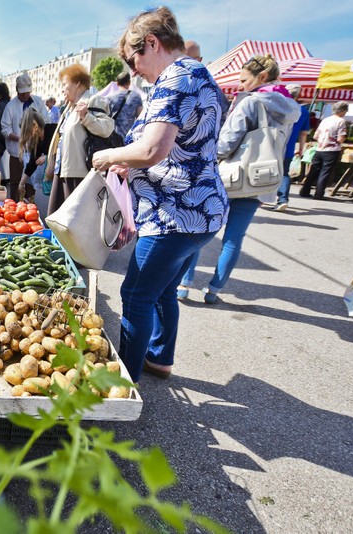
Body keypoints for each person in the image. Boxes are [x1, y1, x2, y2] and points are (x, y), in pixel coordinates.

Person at [91, 6, 228, 382]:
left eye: (133, 59)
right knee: (164, 290)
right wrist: (132, 164)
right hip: (202, 211)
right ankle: (159, 358)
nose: (133, 70)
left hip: (174, 214)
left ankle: (126, 380)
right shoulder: (200, 74)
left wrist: (109, 155)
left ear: (152, 43)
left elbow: (153, 150)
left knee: (136, 294)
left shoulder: (174, 79)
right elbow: (182, 145)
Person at [177, 54, 300, 304]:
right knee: (234, 239)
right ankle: (214, 290)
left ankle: (183, 284)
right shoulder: (290, 108)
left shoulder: (250, 102)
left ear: (262, 77)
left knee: (199, 228)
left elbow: (225, 144)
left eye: (244, 80)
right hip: (261, 181)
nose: (240, 85)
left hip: (230, 178)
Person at [44, 63, 113, 215]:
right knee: (58, 217)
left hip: (78, 172)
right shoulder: (69, 107)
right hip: (63, 170)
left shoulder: (93, 100)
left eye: (64, 84)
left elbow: (107, 128)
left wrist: (86, 117)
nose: (62, 89)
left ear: (77, 83)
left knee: (74, 220)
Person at [1, 73, 48, 200]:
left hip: (34, 150)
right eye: (23, 93)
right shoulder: (10, 106)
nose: (26, 95)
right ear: (16, 90)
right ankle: (14, 207)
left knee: (31, 182)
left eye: (28, 92)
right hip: (17, 153)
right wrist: (19, 138)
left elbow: (46, 122)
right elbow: (5, 129)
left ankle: (30, 207)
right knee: (16, 181)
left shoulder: (38, 102)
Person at [300, 101, 348, 200]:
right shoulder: (341, 121)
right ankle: (319, 194)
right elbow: (340, 139)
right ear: (343, 110)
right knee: (325, 173)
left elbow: (315, 136)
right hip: (332, 150)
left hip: (319, 148)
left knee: (313, 171)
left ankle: (304, 191)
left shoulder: (325, 120)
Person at [275, 84, 310, 211]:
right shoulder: (303, 111)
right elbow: (303, 133)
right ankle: (283, 199)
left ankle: (259, 198)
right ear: (298, 95)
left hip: (272, 145)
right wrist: (301, 148)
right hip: (288, 148)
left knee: (265, 169)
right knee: (284, 173)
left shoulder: (278, 106)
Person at [17, 107, 57, 202]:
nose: (28, 136)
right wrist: (21, 183)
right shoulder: (37, 140)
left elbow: (62, 151)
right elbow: (32, 163)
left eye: (28, 132)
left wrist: (47, 157)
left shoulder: (53, 130)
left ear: (35, 126)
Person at [108, 72, 143, 140]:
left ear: (117, 83)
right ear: (129, 83)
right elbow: (140, 118)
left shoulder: (110, 98)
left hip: (112, 139)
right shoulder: (136, 97)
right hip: (128, 138)